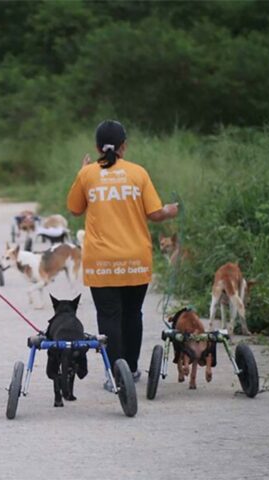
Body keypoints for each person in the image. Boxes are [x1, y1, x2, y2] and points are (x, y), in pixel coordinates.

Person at [66, 120, 178, 390]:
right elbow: (155, 214)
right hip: (135, 259)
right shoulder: (138, 173)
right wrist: (171, 210)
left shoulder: (88, 174)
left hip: (101, 261)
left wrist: (82, 173)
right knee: (132, 313)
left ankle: (115, 373)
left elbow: (74, 209)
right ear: (124, 146)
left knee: (108, 315)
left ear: (97, 147)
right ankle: (132, 369)